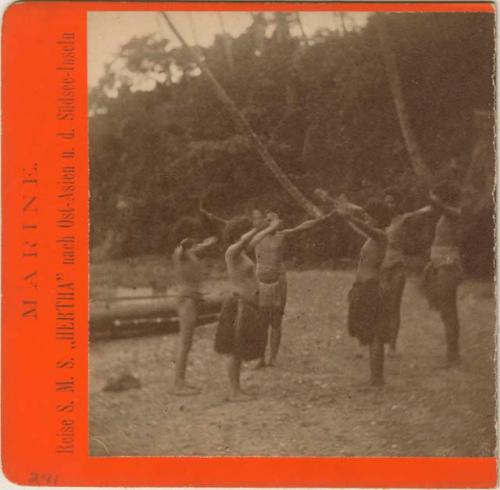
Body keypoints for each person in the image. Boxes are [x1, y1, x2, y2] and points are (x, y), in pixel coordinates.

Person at [249, 208, 332, 367]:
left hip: (278, 282)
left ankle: (272, 358)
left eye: (274, 219)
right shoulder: (256, 236)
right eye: (268, 219)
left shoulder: (282, 235)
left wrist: (323, 218)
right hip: (260, 282)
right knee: (261, 322)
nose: (271, 221)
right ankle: (260, 358)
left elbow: (303, 226)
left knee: (275, 321)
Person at [214, 214, 282, 401]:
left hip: (246, 304)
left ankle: (237, 389)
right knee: (233, 349)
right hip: (238, 303)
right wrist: (261, 227)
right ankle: (234, 391)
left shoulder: (242, 251)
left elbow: (253, 239)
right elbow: (247, 239)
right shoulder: (232, 251)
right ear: (240, 233)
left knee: (237, 347)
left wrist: (266, 228)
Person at [333, 198, 392, 386]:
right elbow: (360, 229)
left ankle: (377, 379)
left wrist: (349, 215)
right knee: (370, 334)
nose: (366, 218)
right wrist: (346, 219)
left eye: (369, 216)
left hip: (370, 288)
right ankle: (376, 378)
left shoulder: (380, 235)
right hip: (365, 287)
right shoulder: (373, 238)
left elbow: (366, 229)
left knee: (375, 335)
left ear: (377, 218)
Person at [382, 188, 433, 356]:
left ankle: (392, 347)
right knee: (379, 306)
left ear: (397, 204)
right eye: (386, 202)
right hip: (381, 267)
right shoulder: (377, 221)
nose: (389, 205)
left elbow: (423, 211)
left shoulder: (402, 219)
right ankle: (377, 343)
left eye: (392, 202)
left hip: (397, 266)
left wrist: (437, 202)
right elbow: (360, 210)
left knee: (394, 306)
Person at [172, 218, 218, 395]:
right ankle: (178, 384)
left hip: (192, 298)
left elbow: (198, 247)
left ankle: (181, 381)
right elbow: (184, 248)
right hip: (187, 299)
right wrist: (186, 243)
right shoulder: (180, 252)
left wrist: (209, 242)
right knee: (185, 342)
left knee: (187, 342)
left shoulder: (190, 252)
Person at [423, 181, 463, 366]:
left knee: (448, 311)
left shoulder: (454, 213)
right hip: (442, 263)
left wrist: (431, 194)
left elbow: (439, 205)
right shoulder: (447, 215)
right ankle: (452, 354)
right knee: (448, 311)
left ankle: (452, 355)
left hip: (447, 264)